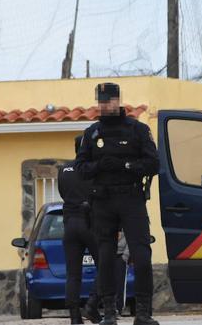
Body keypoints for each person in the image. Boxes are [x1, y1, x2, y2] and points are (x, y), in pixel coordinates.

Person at [75, 82, 159, 325]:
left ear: (117, 100)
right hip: (103, 201)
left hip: (131, 198)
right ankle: (109, 313)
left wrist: (127, 166)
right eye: (101, 101)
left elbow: (154, 164)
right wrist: (99, 166)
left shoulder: (137, 130)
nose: (104, 105)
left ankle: (143, 313)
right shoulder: (91, 133)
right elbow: (80, 168)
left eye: (108, 101)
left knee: (142, 255)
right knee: (106, 257)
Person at [58, 136, 103, 325]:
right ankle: (92, 305)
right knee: (106, 266)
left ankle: (74, 317)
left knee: (73, 273)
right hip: (91, 223)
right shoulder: (94, 169)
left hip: (70, 224)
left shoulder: (64, 170)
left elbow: (62, 193)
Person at [115, 231, 130, 315]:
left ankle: (119, 307)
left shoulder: (125, 223)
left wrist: (125, 256)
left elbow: (130, 239)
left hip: (121, 256)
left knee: (120, 283)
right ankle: (110, 307)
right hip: (109, 254)